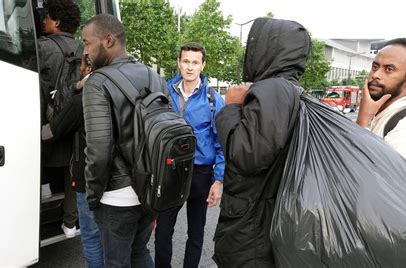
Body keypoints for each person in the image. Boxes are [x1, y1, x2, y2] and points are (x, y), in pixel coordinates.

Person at [212, 18, 311, 267]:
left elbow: (247, 154)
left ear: (267, 48)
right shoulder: (290, 89)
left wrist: (231, 107)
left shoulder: (273, 90)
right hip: (262, 220)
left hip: (252, 227)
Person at [81, 14, 154, 267]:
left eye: (87, 43)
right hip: (150, 188)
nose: (85, 51)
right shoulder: (153, 76)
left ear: (108, 40)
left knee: (116, 262)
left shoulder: (97, 83)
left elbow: (99, 150)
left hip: (116, 196)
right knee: (140, 252)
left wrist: (93, 195)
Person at [154, 42, 225, 268]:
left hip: (200, 174)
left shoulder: (214, 100)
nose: (190, 67)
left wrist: (218, 180)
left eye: (195, 62)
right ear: (178, 63)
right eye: (186, 61)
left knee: (196, 233)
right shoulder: (163, 92)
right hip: (170, 171)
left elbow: (222, 142)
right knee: (162, 232)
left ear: (203, 65)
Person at [41, 56, 104, 268]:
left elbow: (51, 132)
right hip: (117, 177)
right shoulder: (117, 89)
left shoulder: (82, 98)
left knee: (91, 236)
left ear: (86, 69)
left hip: (87, 176)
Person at [356, 38, 406, 191]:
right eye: (375, 66)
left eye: (389, 69)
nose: (376, 75)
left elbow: (380, 185)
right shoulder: (380, 115)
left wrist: (362, 122)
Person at [38, 0, 81, 238]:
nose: (43, 21)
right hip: (71, 119)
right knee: (71, 169)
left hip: (46, 119)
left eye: (46, 17)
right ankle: (70, 222)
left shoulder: (41, 47)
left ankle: (43, 186)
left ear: (56, 22)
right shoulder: (84, 48)